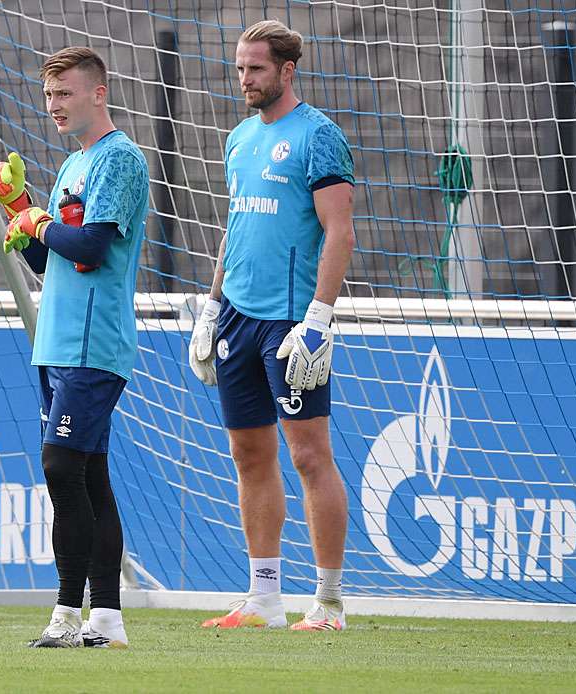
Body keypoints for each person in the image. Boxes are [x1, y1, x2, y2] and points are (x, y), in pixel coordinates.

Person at [189, 20, 356, 631]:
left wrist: (320, 317)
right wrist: (211, 305)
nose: (244, 79)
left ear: (287, 70)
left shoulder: (319, 137)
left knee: (310, 455)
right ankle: (263, 598)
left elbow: (340, 230)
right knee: (248, 453)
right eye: (239, 68)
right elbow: (236, 229)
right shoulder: (237, 139)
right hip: (237, 313)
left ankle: (329, 603)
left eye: (255, 68)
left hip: (292, 321)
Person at [0, 47, 149, 648]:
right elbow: (49, 261)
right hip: (56, 342)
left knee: (60, 467)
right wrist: (18, 209)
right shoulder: (75, 166)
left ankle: (66, 615)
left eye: (65, 93)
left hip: (93, 343)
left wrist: (39, 223)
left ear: (98, 93)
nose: (53, 105)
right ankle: (105, 620)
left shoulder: (120, 159)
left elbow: (92, 248)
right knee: (87, 475)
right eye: (49, 95)